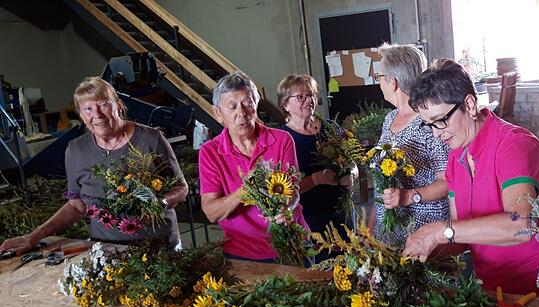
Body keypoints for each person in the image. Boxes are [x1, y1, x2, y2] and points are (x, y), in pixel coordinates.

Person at [402, 59, 539, 299]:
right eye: (428, 125)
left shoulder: (513, 145)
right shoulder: (456, 157)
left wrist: (440, 231)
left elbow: (520, 226)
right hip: (491, 288)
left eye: (441, 120)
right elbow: (461, 233)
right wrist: (429, 249)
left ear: (470, 104)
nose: (436, 133)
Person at [0, 77, 188, 254]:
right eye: (88, 109)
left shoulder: (150, 139)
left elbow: (181, 188)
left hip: (159, 248)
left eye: (103, 105)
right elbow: (77, 206)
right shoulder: (76, 150)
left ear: (118, 105)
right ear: (80, 115)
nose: (96, 114)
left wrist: (159, 204)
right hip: (107, 251)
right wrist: (33, 237)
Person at [198, 71, 308, 262]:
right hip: (243, 253)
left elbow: (293, 189)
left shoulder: (281, 140)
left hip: (293, 243)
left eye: (248, 104)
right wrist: (246, 189)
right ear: (218, 113)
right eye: (232, 107)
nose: (241, 113)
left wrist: (287, 208)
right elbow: (211, 212)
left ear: (256, 106)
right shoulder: (210, 152)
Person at [372, 43, 450, 249]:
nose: (378, 83)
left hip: (422, 232)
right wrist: (372, 225)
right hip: (389, 232)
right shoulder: (389, 119)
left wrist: (408, 196)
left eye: (379, 77)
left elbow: (448, 182)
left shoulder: (429, 120)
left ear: (393, 82)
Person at [276, 74, 354, 237]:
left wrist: (352, 174)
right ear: (285, 104)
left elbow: (351, 161)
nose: (308, 100)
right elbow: (282, 189)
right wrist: (316, 179)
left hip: (341, 211)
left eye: (311, 95)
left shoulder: (330, 127)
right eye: (300, 97)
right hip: (308, 217)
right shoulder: (281, 138)